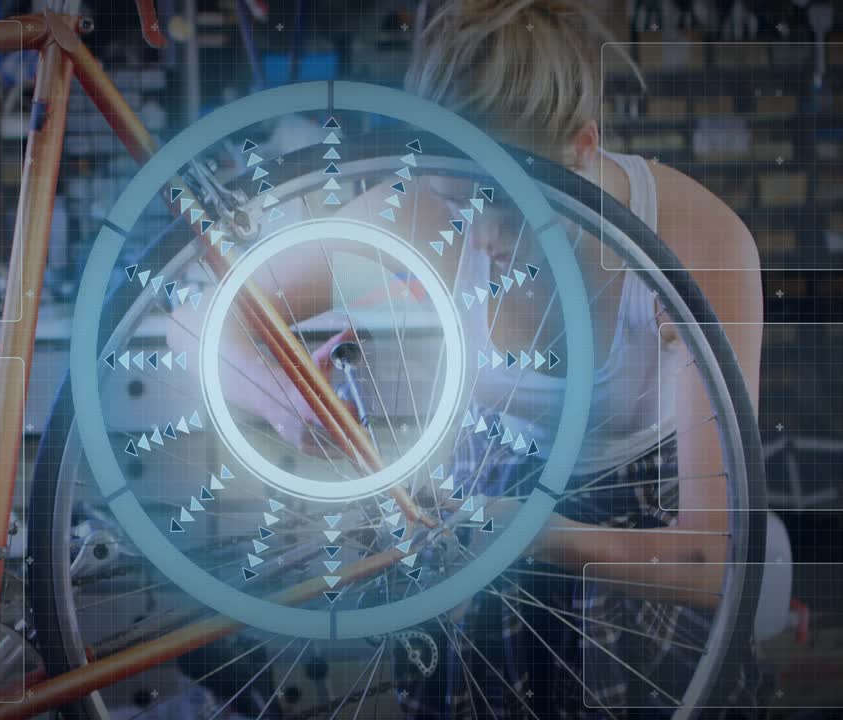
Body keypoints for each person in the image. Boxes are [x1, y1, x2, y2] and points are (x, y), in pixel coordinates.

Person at [169, 0, 764, 714]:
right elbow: (196, 316)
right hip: (482, 531)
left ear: (583, 146)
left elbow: (712, 563)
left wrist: (524, 531)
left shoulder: (688, 243)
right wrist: (283, 396)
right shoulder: (423, 211)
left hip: (635, 551)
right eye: (458, 201)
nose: (482, 239)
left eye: (509, 207)